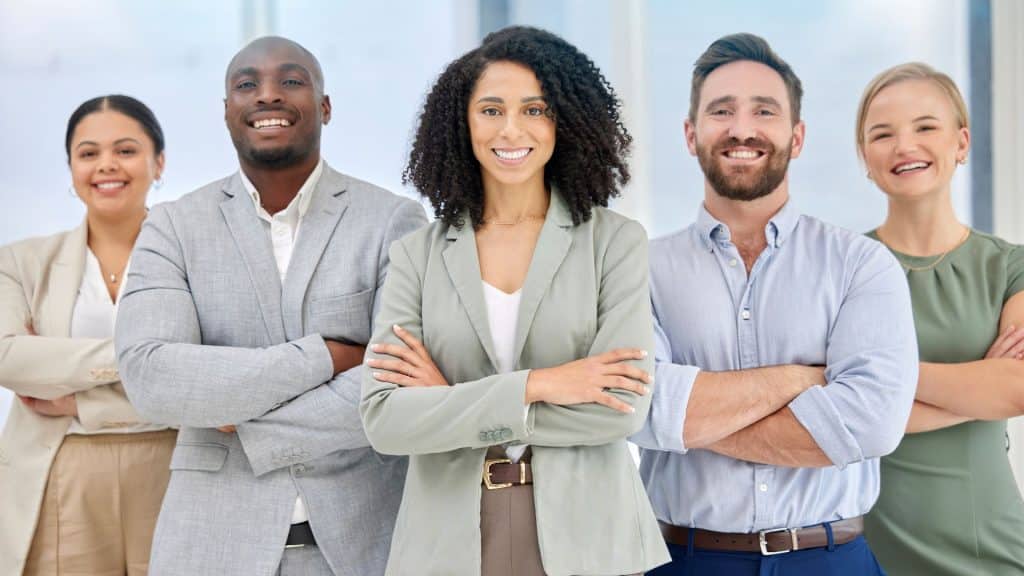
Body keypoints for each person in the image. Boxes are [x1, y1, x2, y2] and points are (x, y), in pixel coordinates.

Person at [360, 26, 669, 576]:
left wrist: (451, 402)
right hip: (446, 541)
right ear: (463, 122)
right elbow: (386, 420)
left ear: (564, 121)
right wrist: (540, 384)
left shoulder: (616, 243)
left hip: (588, 537)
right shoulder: (417, 255)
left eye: (534, 109)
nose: (511, 129)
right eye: (491, 110)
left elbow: (620, 410)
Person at [114, 37, 426, 576]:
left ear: (324, 106)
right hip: (212, 543)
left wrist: (238, 412)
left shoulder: (392, 221)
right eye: (246, 85)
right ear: (227, 111)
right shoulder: (173, 227)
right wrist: (327, 357)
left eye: (291, 80)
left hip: (368, 542)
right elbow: (151, 376)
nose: (267, 96)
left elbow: (395, 384)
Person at [631, 33, 918, 575]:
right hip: (684, 561)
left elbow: (871, 426)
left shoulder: (862, 265)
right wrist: (802, 379)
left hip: (832, 561)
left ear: (797, 135)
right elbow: (639, 409)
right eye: (721, 111)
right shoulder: (638, 271)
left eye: (764, 110)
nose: (742, 129)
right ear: (691, 135)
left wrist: (688, 419)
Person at [856, 62, 1024, 575]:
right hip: (869, 552)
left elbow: (1017, 386)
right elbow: (845, 418)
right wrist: (977, 390)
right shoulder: (843, 271)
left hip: (990, 549)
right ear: (865, 158)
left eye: (926, 127)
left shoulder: (1010, 267)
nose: (904, 145)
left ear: (962, 142)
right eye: (882, 134)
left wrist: (879, 379)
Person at [0, 95, 175, 576]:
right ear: (72, 168)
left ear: (158, 162)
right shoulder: (20, 262)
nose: (106, 166)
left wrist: (81, 399)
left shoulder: (197, 261)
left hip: (175, 470)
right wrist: (153, 360)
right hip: (62, 477)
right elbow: (8, 357)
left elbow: (214, 373)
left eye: (125, 150)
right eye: (88, 153)